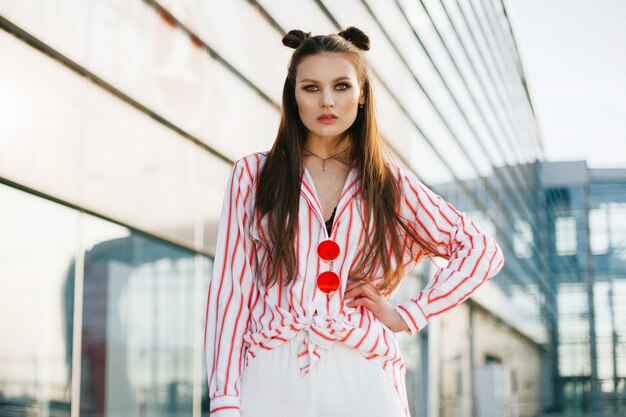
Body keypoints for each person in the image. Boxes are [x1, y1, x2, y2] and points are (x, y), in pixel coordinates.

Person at [205, 27, 505, 417]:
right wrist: (225, 400)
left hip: (363, 376)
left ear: (362, 95)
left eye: (341, 86)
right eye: (311, 88)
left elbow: (481, 250)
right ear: (292, 96)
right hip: (271, 374)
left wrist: (409, 314)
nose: (327, 101)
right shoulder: (254, 175)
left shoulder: (387, 182)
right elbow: (231, 291)